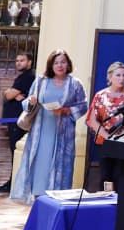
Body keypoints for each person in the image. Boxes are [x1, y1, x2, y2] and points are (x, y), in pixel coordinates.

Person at [9, 49, 87, 201]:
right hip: (41, 130)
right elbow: (27, 104)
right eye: (56, 62)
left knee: (60, 167)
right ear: (51, 65)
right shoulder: (40, 81)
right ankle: (37, 198)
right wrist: (31, 102)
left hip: (63, 134)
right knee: (40, 165)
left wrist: (66, 110)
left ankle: (56, 200)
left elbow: (83, 105)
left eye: (63, 62)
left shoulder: (75, 84)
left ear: (68, 64)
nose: (60, 65)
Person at [86, 62, 124, 191]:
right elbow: (92, 120)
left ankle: (121, 206)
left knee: (121, 175)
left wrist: (121, 135)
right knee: (106, 176)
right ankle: (106, 202)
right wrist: (107, 137)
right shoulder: (100, 95)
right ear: (110, 77)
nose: (121, 78)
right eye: (118, 75)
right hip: (104, 141)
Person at [0, 51, 36, 194]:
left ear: (29, 62)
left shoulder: (28, 76)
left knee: (17, 151)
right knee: (14, 151)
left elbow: (9, 94)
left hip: (19, 122)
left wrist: (11, 93)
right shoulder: (22, 77)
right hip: (15, 121)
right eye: (17, 60)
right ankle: (13, 180)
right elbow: (7, 94)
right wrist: (9, 93)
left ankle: (15, 182)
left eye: (22, 60)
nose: (18, 63)